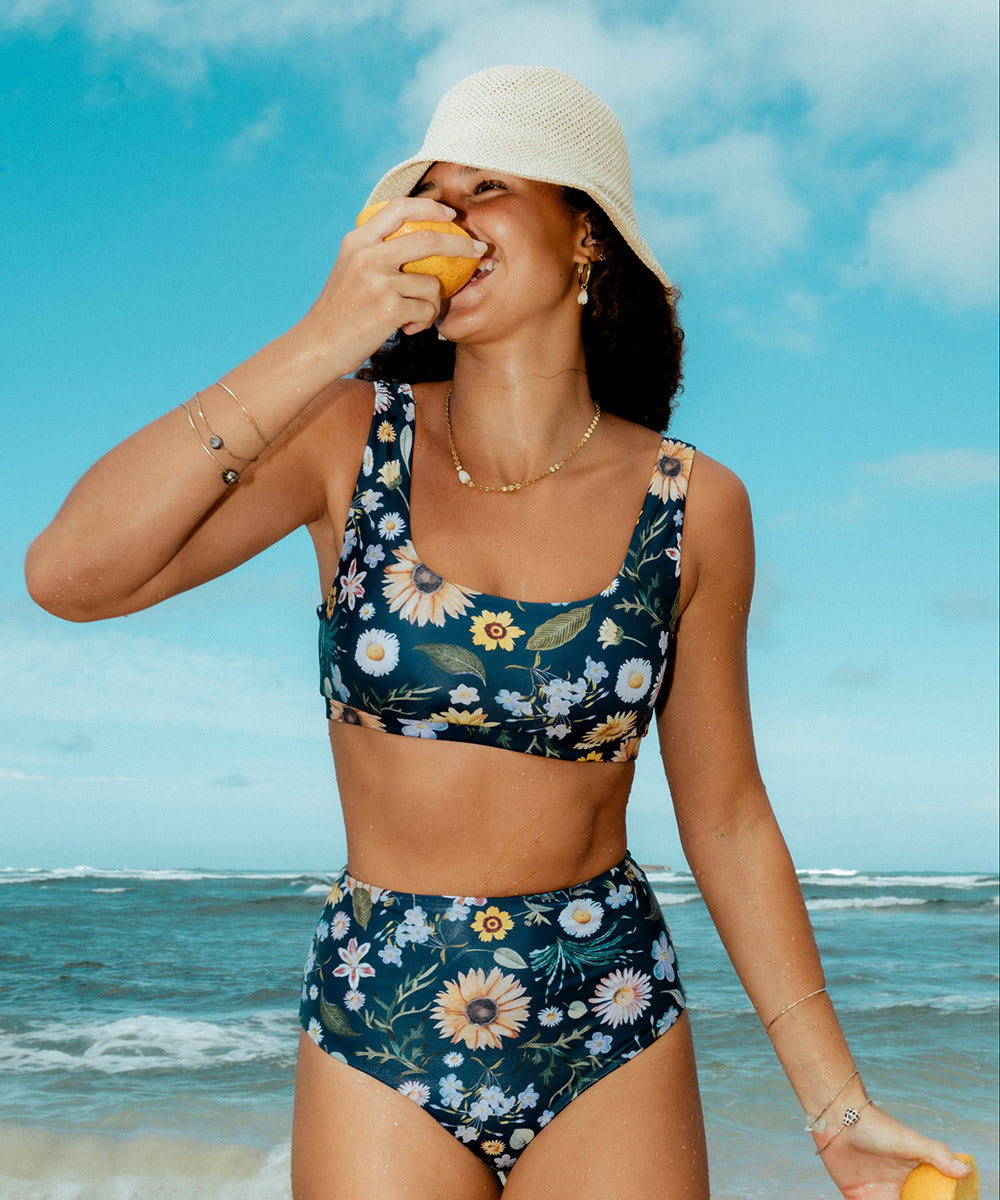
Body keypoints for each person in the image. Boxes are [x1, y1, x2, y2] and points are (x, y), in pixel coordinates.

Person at [25, 65, 971, 1200]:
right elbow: (71, 577)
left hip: (606, 1010)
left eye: (486, 188)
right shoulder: (346, 440)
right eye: (429, 196)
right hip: (385, 1006)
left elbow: (723, 814)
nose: (448, 219)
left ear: (584, 237)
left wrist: (836, 1106)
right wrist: (323, 336)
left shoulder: (693, 501)